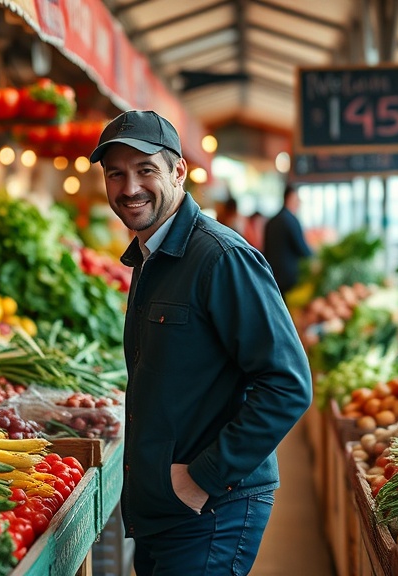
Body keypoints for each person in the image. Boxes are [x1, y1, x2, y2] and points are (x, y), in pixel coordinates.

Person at [89, 110, 312, 575]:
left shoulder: (220, 258)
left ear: (178, 172)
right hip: (164, 509)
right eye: (116, 174)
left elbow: (287, 383)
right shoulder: (150, 258)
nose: (129, 187)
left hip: (213, 507)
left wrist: (202, 476)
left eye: (146, 169)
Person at [263, 184, 313, 295]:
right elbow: (301, 248)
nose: (299, 203)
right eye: (297, 199)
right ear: (289, 198)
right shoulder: (290, 220)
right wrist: (314, 256)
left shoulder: (271, 221)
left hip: (272, 273)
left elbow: (266, 249)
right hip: (288, 276)